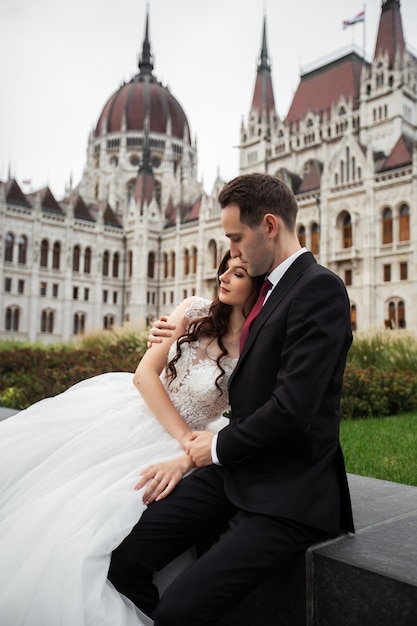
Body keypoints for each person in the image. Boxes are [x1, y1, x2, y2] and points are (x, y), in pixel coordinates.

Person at [108, 172, 355, 626]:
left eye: (236, 238)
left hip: (286, 492)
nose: (231, 252)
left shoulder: (318, 288)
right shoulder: (264, 288)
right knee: (125, 560)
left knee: (180, 611)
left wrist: (213, 447)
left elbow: (294, 407)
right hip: (236, 469)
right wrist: (172, 332)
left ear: (269, 225)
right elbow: (222, 330)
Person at [0, 251, 264, 626]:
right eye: (224, 268)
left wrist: (189, 452)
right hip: (136, 414)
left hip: (185, 441)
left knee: (108, 518)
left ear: (256, 286)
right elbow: (145, 375)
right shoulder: (192, 310)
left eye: (237, 273)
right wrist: (187, 440)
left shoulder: (256, 346)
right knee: (61, 500)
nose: (223, 277)